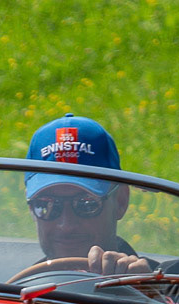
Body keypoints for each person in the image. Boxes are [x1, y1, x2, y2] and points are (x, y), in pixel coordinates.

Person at [23, 116, 150, 276]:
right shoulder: (13, 291)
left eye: (86, 204)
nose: (66, 225)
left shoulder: (175, 283)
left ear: (120, 201)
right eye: (46, 205)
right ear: (30, 207)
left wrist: (149, 293)